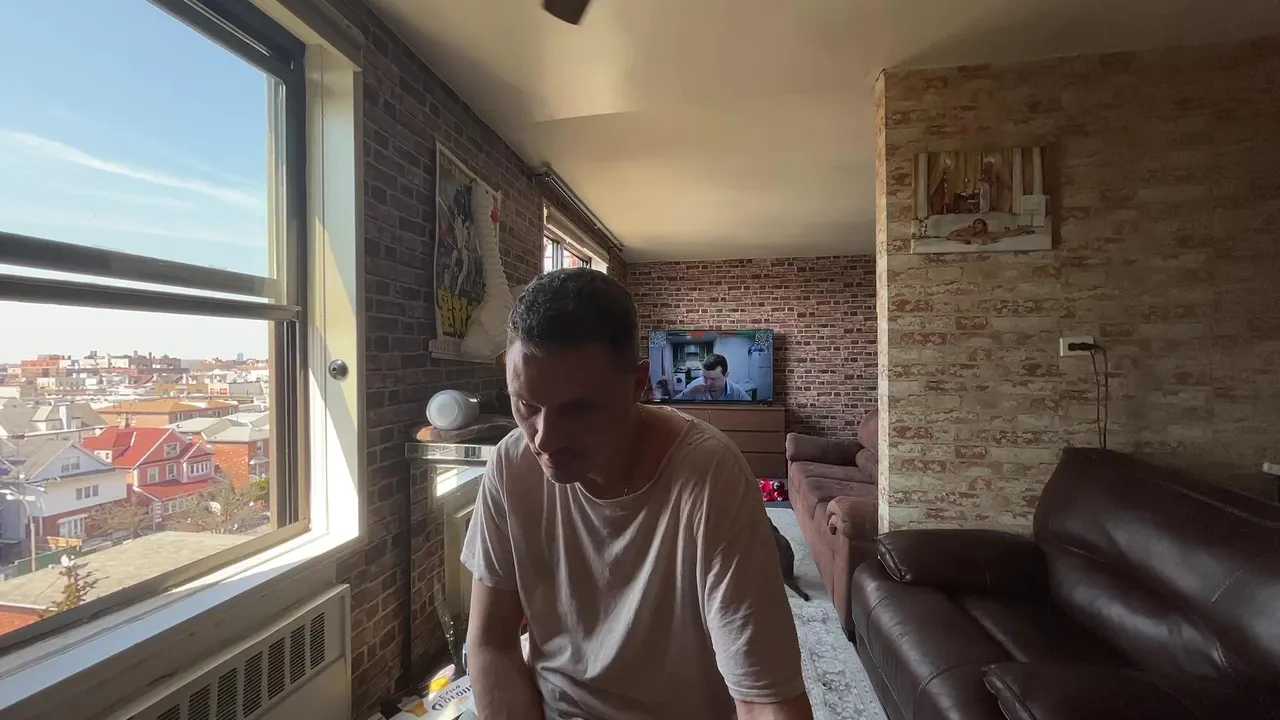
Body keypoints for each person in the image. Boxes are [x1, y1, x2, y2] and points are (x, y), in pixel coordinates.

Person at [462, 268, 811, 720]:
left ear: (637, 384)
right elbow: (491, 643)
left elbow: (767, 699)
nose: (545, 440)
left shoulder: (709, 475)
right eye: (527, 405)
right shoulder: (511, 464)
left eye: (579, 409)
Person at [674, 353, 753, 402]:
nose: (708, 383)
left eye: (713, 379)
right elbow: (672, 404)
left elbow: (752, 412)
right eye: (705, 378)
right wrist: (690, 392)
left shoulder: (736, 392)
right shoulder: (695, 385)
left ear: (726, 375)